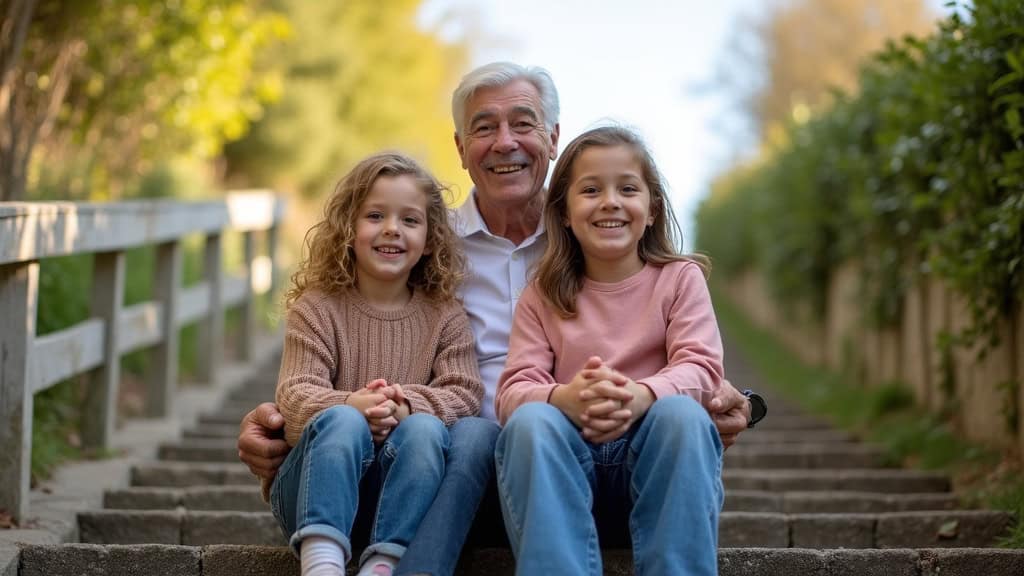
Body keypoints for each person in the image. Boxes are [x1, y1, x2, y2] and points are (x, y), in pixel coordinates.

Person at [238, 62, 758, 576]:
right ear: (462, 148)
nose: (505, 141)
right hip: (440, 469)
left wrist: (706, 399)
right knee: (477, 435)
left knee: (504, 434)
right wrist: (311, 417)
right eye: (484, 127)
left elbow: (689, 358)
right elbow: (359, 322)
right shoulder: (425, 245)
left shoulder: (596, 241)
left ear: (553, 138)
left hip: (565, 469)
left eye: (523, 123)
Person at [494, 125, 724, 575]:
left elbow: (701, 368)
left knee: (682, 415)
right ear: (563, 212)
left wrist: (642, 395)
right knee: (530, 421)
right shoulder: (542, 295)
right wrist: (565, 398)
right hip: (565, 484)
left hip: (656, 477)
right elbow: (513, 390)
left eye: (628, 189)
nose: (610, 202)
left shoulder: (680, 280)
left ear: (652, 209)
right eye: (591, 190)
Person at [268, 152, 484, 576]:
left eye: (410, 220)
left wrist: (403, 408)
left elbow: (465, 393)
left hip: (401, 494)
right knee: (344, 421)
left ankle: (384, 563)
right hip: (313, 491)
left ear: (430, 239)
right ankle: (322, 561)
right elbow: (293, 397)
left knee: (424, 428)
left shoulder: (445, 315)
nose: (392, 229)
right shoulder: (317, 309)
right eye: (375, 215)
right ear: (349, 229)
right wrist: (354, 405)